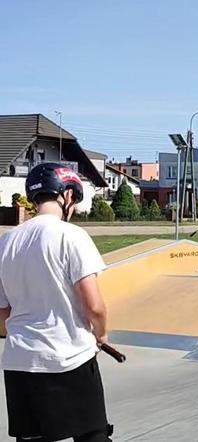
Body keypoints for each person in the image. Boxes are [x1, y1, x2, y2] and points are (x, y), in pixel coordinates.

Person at [0, 163, 113, 441]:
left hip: (20, 361)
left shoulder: (6, 242)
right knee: (92, 436)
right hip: (68, 356)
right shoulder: (71, 236)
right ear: (68, 196)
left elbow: (3, 313)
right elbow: (94, 305)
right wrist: (101, 334)